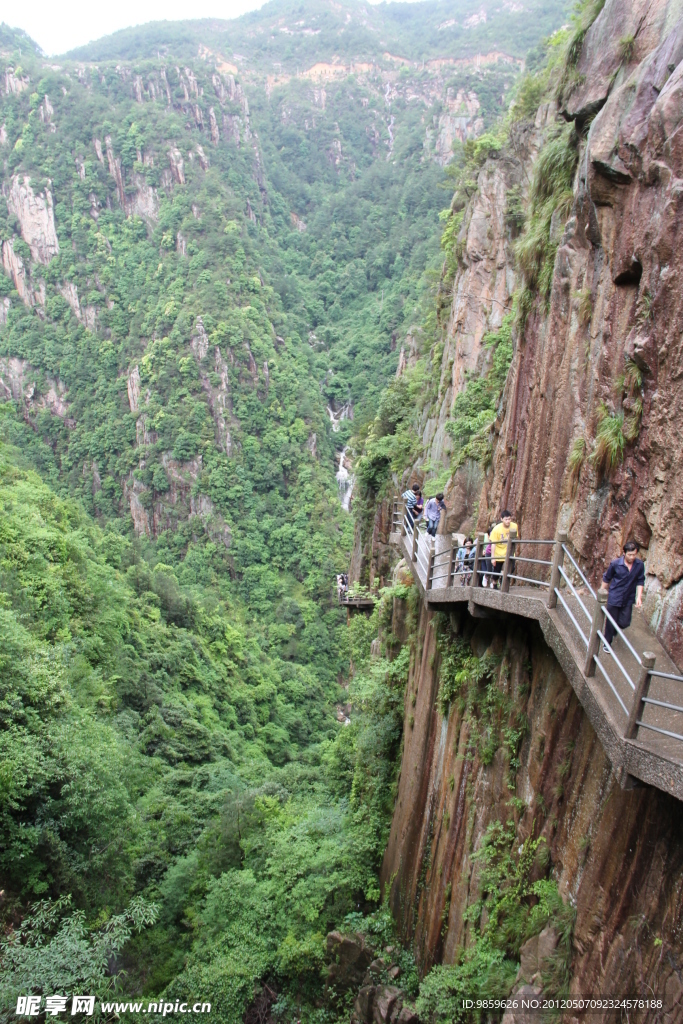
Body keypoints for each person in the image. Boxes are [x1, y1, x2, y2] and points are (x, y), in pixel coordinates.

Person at [599, 540, 645, 650]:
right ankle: (607, 644)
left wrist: (639, 597)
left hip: (628, 597)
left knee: (625, 622)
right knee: (610, 620)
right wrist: (601, 592)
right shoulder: (615, 564)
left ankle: (615, 629)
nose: (632, 557)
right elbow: (607, 577)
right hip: (615, 596)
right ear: (624, 553)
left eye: (634, 554)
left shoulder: (639, 565)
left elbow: (640, 581)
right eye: (630, 555)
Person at [489, 510, 519, 589]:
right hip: (498, 553)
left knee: (511, 568)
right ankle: (494, 583)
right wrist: (493, 558)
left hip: (509, 553)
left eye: (509, 519)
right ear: (501, 519)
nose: (508, 521)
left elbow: (515, 539)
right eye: (506, 519)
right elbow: (493, 544)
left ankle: (503, 580)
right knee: (497, 571)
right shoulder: (496, 529)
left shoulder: (514, 526)